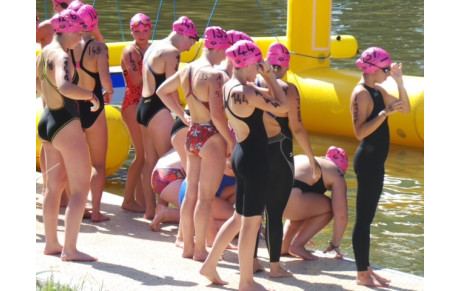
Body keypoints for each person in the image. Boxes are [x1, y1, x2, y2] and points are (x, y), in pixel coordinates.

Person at [200, 40, 288, 290]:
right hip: (255, 160)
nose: (259, 69)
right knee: (251, 224)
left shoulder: (230, 86)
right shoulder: (248, 92)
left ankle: (210, 264)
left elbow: (267, 100)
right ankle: (246, 282)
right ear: (248, 64)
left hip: (242, 154)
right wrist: (270, 76)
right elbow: (282, 107)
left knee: (239, 218)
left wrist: (264, 78)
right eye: (257, 65)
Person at [157, 26, 235, 261]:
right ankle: (200, 249)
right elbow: (219, 116)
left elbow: (162, 91)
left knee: (191, 193)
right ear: (219, 47)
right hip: (211, 136)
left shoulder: (188, 69)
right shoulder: (214, 75)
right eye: (225, 49)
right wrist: (230, 142)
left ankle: (188, 247)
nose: (226, 55)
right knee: (205, 198)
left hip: (193, 134)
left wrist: (182, 115)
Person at [36, 9, 99, 261]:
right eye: (79, 31)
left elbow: (39, 85)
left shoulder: (43, 53)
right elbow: (63, 85)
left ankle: (51, 243)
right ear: (68, 30)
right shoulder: (62, 56)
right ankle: (70, 250)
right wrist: (89, 95)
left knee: (53, 188)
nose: (81, 36)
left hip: (48, 120)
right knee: (80, 189)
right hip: (65, 122)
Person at [252, 42, 318, 278]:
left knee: (253, 211)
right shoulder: (288, 89)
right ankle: (275, 267)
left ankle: (252, 261)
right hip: (280, 150)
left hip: (254, 149)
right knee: (275, 212)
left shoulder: (252, 83)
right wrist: (311, 158)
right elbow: (297, 127)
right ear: (287, 65)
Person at [350, 47, 411, 287]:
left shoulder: (379, 89)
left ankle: (365, 268)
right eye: (385, 69)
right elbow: (359, 132)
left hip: (376, 162)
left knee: (368, 218)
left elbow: (405, 108)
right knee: (363, 220)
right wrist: (385, 114)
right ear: (373, 70)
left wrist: (399, 81)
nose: (388, 72)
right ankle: (361, 274)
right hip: (367, 161)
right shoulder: (361, 94)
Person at [137, 15, 199, 219]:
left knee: (149, 162)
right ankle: (161, 210)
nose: (190, 47)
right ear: (183, 35)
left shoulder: (155, 45)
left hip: (143, 107)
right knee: (166, 164)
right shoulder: (172, 52)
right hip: (158, 109)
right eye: (192, 40)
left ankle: (149, 210)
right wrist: (181, 112)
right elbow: (171, 88)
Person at [68, 4, 113, 222]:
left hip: (72, 107)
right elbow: (106, 82)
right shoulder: (98, 48)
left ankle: (76, 207)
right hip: (93, 106)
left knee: (75, 161)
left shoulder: (67, 45)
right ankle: (95, 211)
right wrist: (110, 91)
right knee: (98, 164)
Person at [281, 147, 348, 260]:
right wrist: (335, 244)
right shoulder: (337, 173)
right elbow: (341, 215)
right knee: (331, 207)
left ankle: (283, 246)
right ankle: (298, 246)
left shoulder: (306, 159)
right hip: (289, 200)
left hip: (266, 200)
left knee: (304, 198)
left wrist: (303, 232)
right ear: (343, 169)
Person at [119, 13, 153, 213]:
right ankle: (128, 199)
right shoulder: (130, 52)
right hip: (133, 104)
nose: (141, 35)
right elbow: (138, 80)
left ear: (150, 30)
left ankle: (142, 201)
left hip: (145, 103)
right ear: (131, 31)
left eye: (145, 31)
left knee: (148, 156)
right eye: (137, 32)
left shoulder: (150, 49)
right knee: (141, 155)